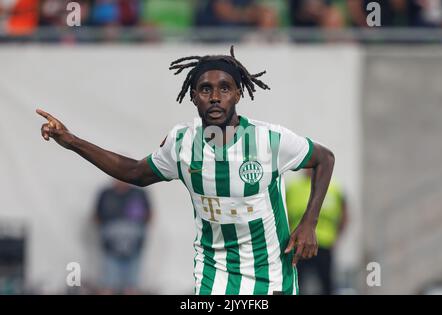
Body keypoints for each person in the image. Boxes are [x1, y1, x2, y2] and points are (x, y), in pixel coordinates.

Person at [36, 46, 335, 295]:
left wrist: (310, 221)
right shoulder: (181, 143)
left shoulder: (270, 140)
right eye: (206, 89)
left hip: (271, 278)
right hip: (213, 277)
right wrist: (72, 141)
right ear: (193, 96)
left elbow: (325, 158)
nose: (215, 97)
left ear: (238, 94)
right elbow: (136, 173)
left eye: (225, 88)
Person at [286, 169, 347, 294]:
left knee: (326, 284)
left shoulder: (334, 187)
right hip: (298, 245)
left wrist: (336, 237)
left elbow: (345, 215)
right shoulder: (292, 187)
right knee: (296, 283)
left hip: (324, 244)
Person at [94, 179, 152, 294]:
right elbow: (97, 215)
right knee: (109, 279)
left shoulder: (139, 194)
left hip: (134, 240)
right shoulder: (106, 194)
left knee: (132, 281)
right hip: (111, 240)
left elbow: (149, 215)